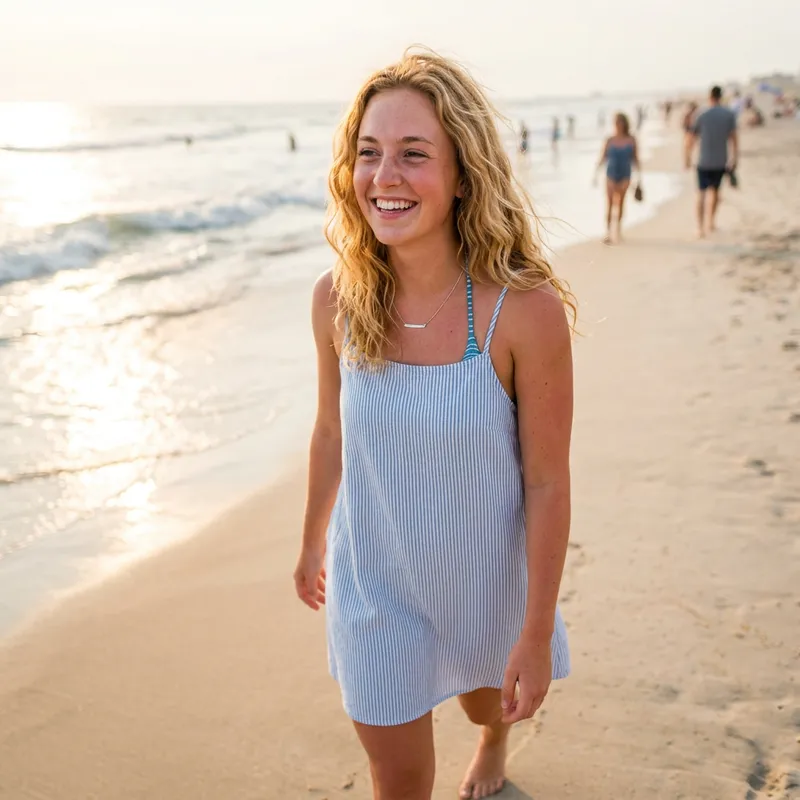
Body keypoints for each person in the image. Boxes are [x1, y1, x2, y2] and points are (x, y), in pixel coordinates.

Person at [295, 48, 575, 800]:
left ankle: (491, 745)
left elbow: (547, 481)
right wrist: (311, 539)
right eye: (368, 153)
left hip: (483, 580)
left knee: (488, 703)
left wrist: (536, 632)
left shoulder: (524, 311)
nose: (384, 176)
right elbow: (330, 432)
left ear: (461, 175)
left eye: (413, 155)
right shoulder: (335, 301)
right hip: (374, 583)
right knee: (398, 777)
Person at [685, 85, 738, 238]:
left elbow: (691, 137)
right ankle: (711, 222)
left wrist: (687, 157)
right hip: (720, 160)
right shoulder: (728, 114)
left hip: (703, 160)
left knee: (701, 194)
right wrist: (734, 157)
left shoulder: (701, 114)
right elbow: (734, 138)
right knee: (715, 192)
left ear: (709, 96)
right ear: (721, 96)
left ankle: (699, 228)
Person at [594, 112, 640, 244]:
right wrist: (596, 173)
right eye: (615, 122)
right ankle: (608, 232)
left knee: (620, 203)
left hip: (625, 174)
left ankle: (618, 230)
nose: (617, 125)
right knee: (609, 204)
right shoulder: (609, 139)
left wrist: (639, 177)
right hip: (611, 174)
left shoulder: (631, 140)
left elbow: (636, 158)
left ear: (624, 123)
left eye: (620, 122)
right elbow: (603, 156)